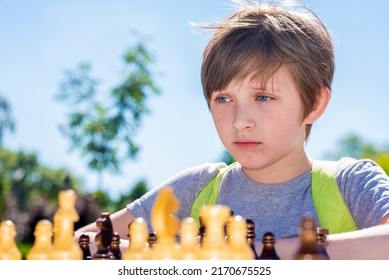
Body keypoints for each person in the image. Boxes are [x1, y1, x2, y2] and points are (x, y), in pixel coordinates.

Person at [75, 0, 389, 259]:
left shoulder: (351, 184)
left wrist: (260, 254)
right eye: (223, 98)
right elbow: (82, 242)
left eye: (263, 96)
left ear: (314, 105)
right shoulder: (197, 187)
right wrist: (179, 253)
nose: (240, 121)